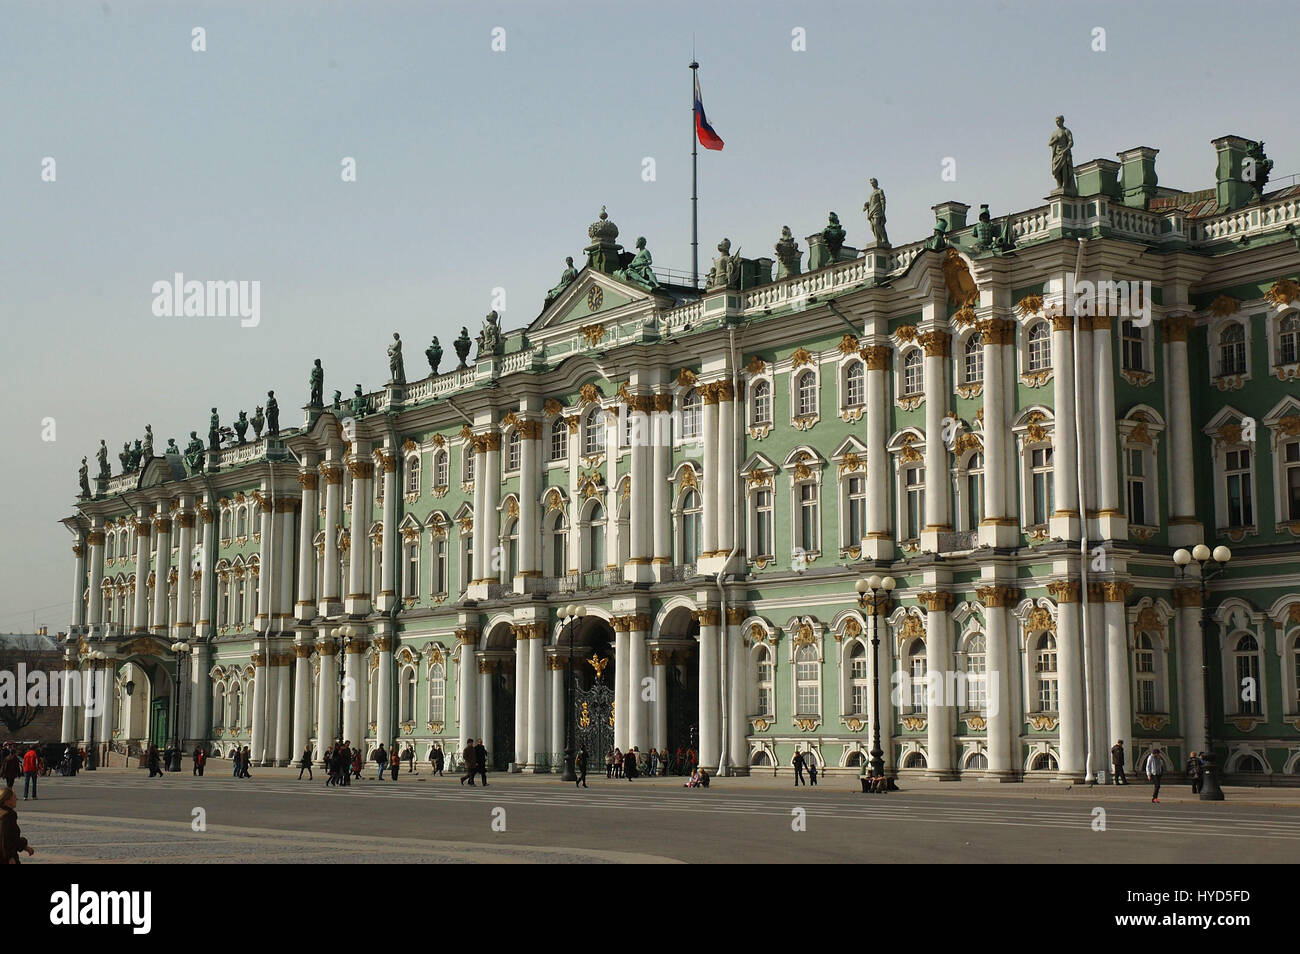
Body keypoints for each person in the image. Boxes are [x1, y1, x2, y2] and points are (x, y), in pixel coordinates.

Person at [0, 787, 34, 864]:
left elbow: (12, 838)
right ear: (7, 801)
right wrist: (10, 857)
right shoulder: (9, 815)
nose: (17, 799)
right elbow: (6, 838)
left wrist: (24, 847)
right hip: (5, 857)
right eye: (14, 797)